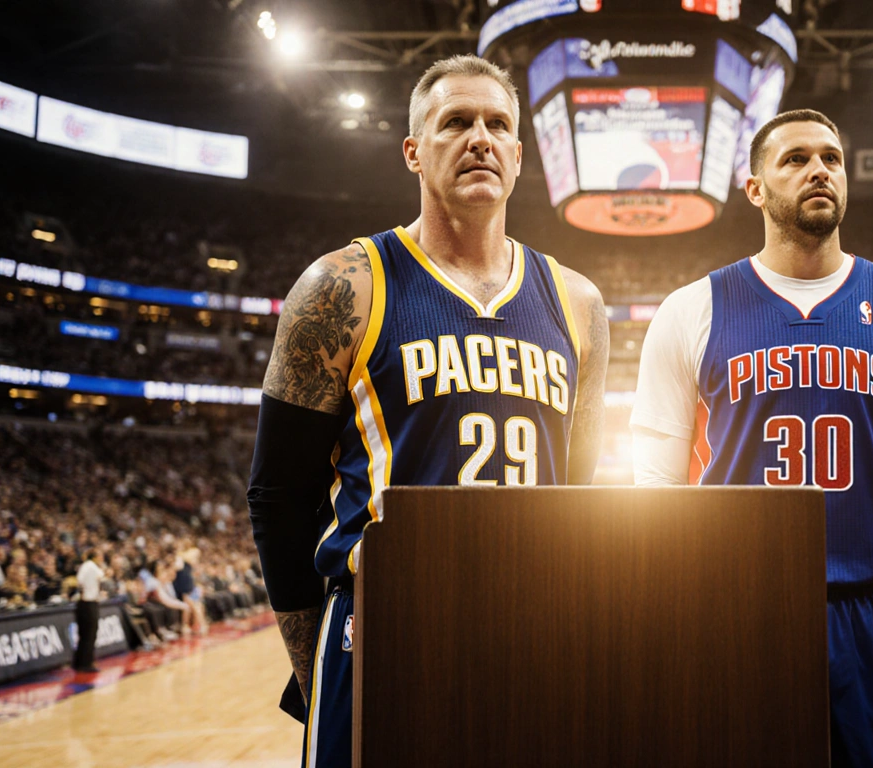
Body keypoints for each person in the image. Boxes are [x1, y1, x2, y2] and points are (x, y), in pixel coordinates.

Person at [247, 54, 608, 768]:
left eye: (497, 124)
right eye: (456, 122)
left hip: (531, 632)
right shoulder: (343, 286)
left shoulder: (579, 303)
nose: (480, 137)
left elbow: (578, 496)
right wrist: (313, 668)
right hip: (384, 629)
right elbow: (277, 497)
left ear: (517, 154)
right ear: (414, 151)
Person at [631, 109, 873, 766]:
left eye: (831, 157)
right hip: (737, 614)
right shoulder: (692, 310)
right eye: (795, 159)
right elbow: (654, 491)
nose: (818, 169)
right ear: (755, 189)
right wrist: (666, 629)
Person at [73, 550, 103, 673]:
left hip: (83, 603)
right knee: (90, 634)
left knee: (84, 634)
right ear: (95, 557)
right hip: (89, 603)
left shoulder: (84, 566)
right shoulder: (91, 566)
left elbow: (79, 581)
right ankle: (86, 663)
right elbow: (102, 575)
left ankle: (79, 662)